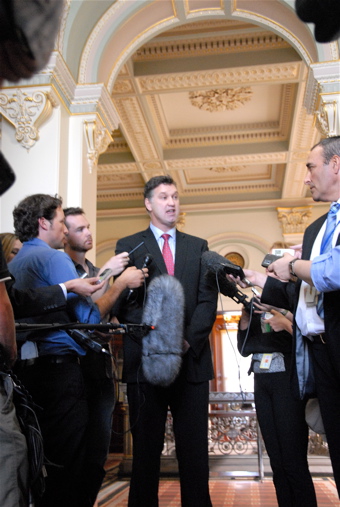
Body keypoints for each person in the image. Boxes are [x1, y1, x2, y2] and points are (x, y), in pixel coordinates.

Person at [9, 193, 148, 507]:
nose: (65, 231)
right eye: (61, 223)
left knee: (47, 463)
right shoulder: (54, 258)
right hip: (63, 372)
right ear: (44, 223)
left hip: (30, 372)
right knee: (72, 465)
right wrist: (120, 284)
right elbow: (89, 316)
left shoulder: (16, 261)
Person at [239, 136, 340, 496]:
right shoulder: (316, 228)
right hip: (319, 355)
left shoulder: (307, 252)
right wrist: (255, 284)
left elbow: (333, 272)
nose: (306, 178)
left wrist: (294, 265)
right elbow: (301, 294)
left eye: (310, 168)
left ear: (335, 165)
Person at [114, 175, 218, 507]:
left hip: (191, 363)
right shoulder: (129, 245)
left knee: (194, 453)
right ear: (148, 203)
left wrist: (186, 340)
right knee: (145, 452)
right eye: (163, 197)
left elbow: (207, 301)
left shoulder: (198, 245)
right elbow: (125, 307)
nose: (171, 202)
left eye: (175, 196)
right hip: (147, 364)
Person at [237, 244, 317, 507]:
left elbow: (312, 341)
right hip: (263, 382)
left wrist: (285, 323)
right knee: (277, 460)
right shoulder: (262, 301)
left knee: (293, 459)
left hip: (288, 382)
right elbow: (245, 347)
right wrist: (246, 318)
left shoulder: (298, 295)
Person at [63, 206, 130, 506]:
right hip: (74, 373)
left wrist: (111, 327)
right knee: (71, 455)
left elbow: (103, 318)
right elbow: (85, 318)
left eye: (88, 227)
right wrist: (114, 278)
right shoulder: (62, 271)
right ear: (64, 235)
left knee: (97, 456)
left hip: (101, 372)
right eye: (79, 229)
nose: (88, 232)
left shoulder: (91, 269)